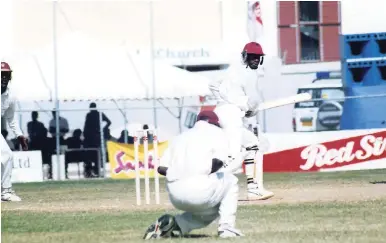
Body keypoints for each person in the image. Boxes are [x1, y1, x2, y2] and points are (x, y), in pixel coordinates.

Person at [143, 111, 243, 239]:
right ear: (213, 123)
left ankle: (177, 225)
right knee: (231, 180)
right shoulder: (217, 133)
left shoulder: (180, 137)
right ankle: (227, 228)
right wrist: (200, 173)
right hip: (199, 189)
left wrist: (181, 173)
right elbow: (217, 162)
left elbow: (161, 168)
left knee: (213, 210)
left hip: (175, 195)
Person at [209, 42, 274, 200]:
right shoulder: (246, 73)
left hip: (226, 112)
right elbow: (251, 100)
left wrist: (229, 101)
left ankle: (252, 189)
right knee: (233, 156)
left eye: (258, 58)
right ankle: (210, 188)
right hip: (230, 115)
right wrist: (249, 108)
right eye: (252, 57)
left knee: (252, 143)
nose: (256, 61)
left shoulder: (232, 69)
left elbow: (212, 85)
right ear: (245, 56)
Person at [1, 61, 28, 201]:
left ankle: (5, 192)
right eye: (1, 74)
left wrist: (20, 135)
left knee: (7, 155)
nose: (4, 78)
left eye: (6, 74)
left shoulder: (10, 96)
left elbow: (11, 118)